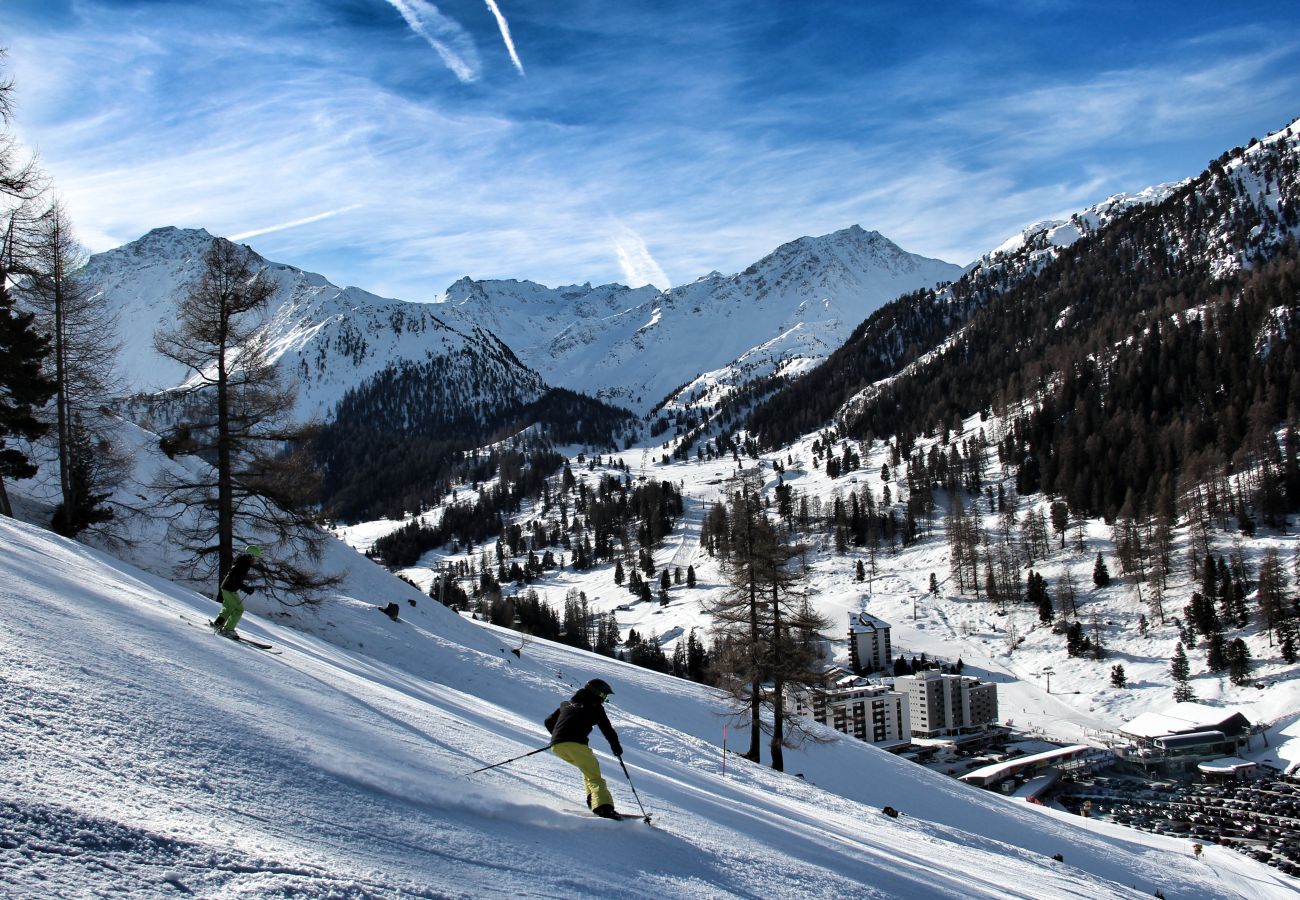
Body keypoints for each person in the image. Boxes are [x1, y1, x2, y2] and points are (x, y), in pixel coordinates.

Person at [545, 678, 624, 819]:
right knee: (594, 774)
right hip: (575, 744)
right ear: (596, 693)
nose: (604, 699)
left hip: (557, 746)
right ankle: (603, 807)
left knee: (588, 769)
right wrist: (616, 747)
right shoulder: (595, 706)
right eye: (604, 695)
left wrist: (559, 737)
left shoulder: (567, 704)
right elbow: (607, 729)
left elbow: (549, 722)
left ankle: (593, 801)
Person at [212, 545, 262, 634]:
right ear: (251, 556)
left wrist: (245, 587)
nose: (256, 561)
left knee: (228, 607)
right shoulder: (243, 564)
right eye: (256, 558)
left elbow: (234, 577)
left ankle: (217, 624)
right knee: (239, 609)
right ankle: (228, 630)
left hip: (227, 587)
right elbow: (235, 579)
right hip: (229, 588)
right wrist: (246, 588)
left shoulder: (242, 562)